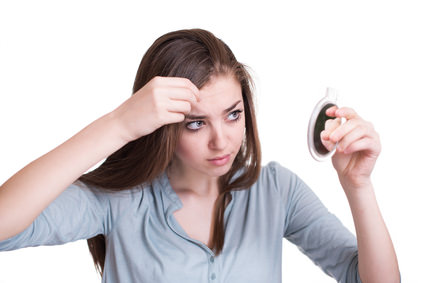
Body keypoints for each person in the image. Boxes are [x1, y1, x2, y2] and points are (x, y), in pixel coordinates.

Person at [0, 29, 399, 283]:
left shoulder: (276, 191)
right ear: (160, 124)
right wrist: (119, 124)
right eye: (195, 123)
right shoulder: (121, 201)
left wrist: (358, 186)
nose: (221, 141)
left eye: (232, 114)